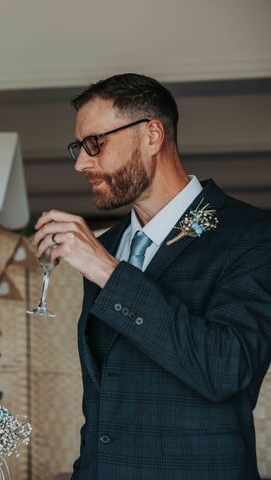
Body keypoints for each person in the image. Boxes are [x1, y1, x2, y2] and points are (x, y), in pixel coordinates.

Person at [33, 74, 271, 479]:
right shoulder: (106, 245)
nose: (80, 163)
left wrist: (109, 273)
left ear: (152, 135)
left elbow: (225, 369)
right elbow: (105, 406)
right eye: (79, 147)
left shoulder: (252, 235)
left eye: (95, 143)